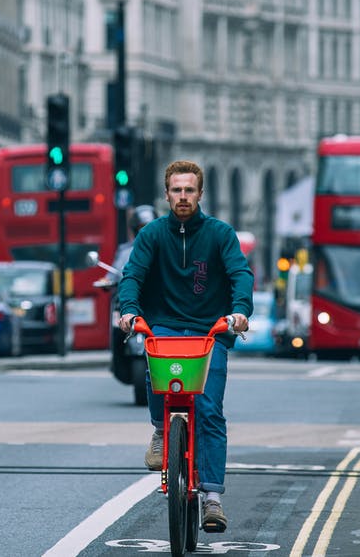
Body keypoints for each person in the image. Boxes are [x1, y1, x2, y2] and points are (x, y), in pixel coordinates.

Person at [116, 159, 254, 534]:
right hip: (164, 328)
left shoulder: (220, 234)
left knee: (209, 409)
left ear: (200, 194)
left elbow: (240, 274)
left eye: (189, 190)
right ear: (166, 194)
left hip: (210, 333)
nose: (182, 196)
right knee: (152, 364)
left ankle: (212, 498)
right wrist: (129, 311)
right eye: (176, 190)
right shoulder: (152, 235)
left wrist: (239, 312)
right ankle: (162, 431)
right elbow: (132, 276)